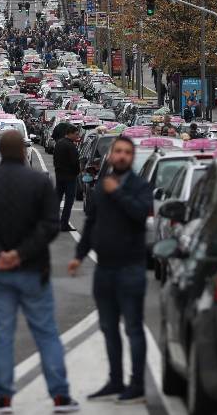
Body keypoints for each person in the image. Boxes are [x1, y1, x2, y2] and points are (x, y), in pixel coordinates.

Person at [0, 131, 78, 414]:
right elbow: (50, 224)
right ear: (24, 152)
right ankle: (60, 396)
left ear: (0, 152)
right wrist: (21, 253)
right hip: (34, 269)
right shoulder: (39, 182)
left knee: (1, 334)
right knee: (46, 333)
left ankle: (3, 399)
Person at [68, 135, 152, 404]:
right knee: (108, 327)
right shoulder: (103, 186)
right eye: (118, 152)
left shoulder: (139, 186)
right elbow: (92, 221)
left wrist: (119, 193)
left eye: (128, 152)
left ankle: (137, 384)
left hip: (130, 269)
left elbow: (140, 214)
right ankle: (115, 381)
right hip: (104, 269)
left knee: (133, 328)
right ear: (111, 156)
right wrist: (79, 255)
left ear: (132, 156)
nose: (122, 156)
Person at [53, 125, 81, 232]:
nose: (77, 136)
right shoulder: (71, 146)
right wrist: (77, 172)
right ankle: (64, 223)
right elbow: (75, 162)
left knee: (57, 199)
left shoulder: (59, 144)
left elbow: (55, 159)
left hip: (59, 175)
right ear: (70, 133)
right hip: (70, 177)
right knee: (69, 201)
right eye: (76, 134)